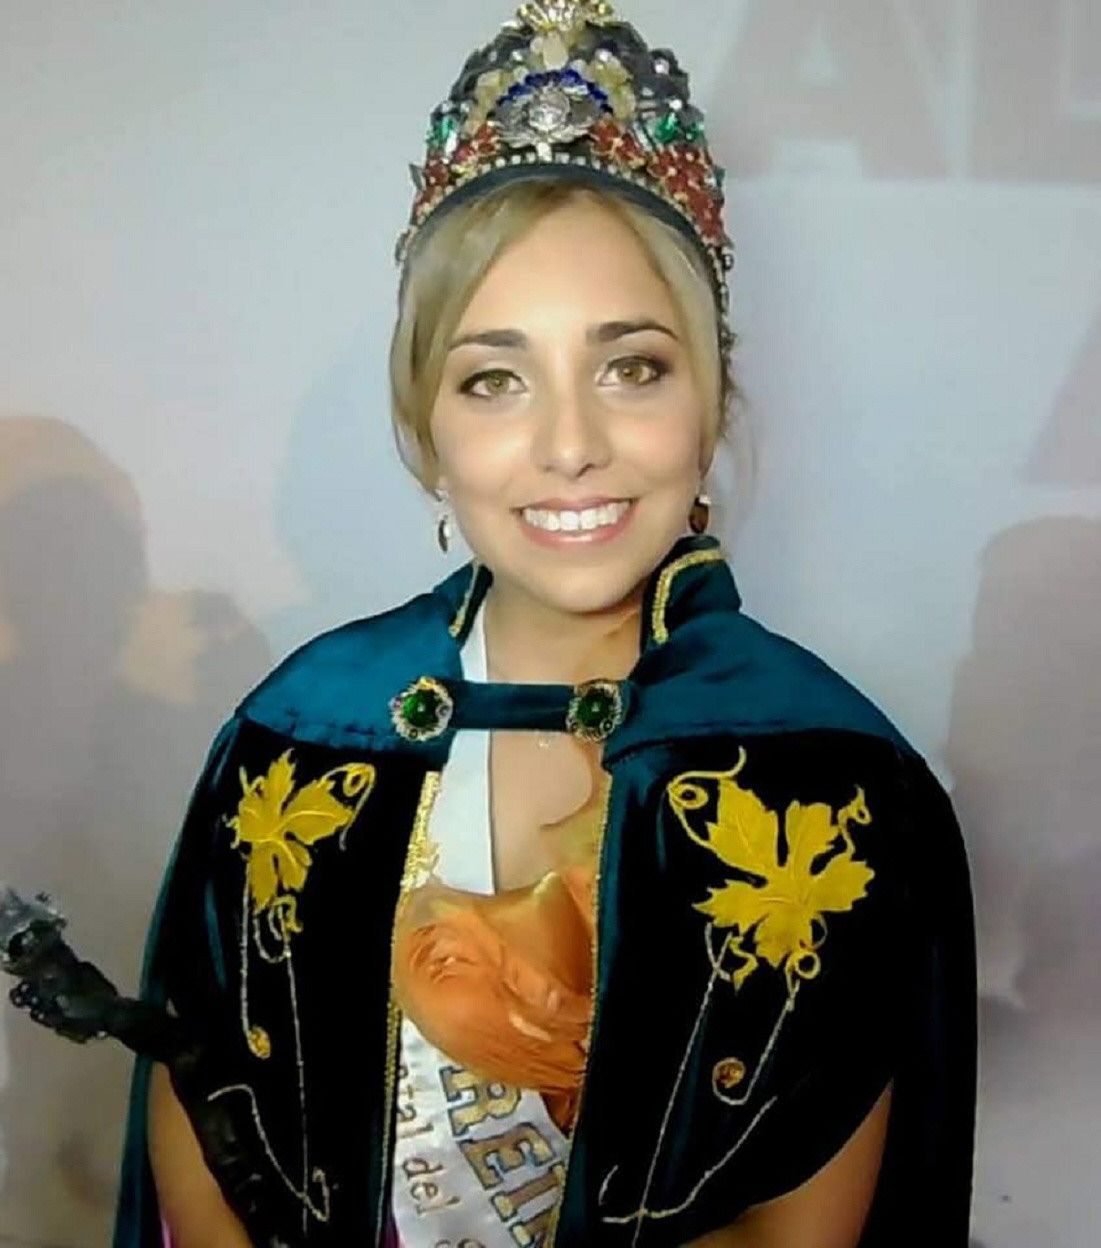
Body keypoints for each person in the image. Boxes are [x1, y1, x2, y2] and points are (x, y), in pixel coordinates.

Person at [107, 2, 976, 1245]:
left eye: (632, 367)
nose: (571, 445)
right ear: (429, 431)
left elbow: (793, 1226)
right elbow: (204, 1118)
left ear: (710, 403)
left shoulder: (827, 780)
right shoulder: (297, 741)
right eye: (495, 379)